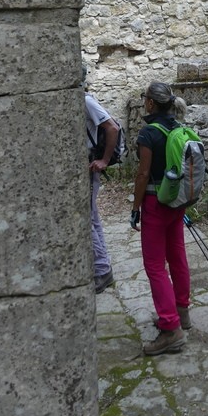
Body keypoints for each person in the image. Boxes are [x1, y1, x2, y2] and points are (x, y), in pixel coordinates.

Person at [130, 81, 192, 357]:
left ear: (151, 103)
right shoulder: (178, 128)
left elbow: (143, 175)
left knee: (155, 266)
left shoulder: (148, 134)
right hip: (176, 203)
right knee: (177, 256)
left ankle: (170, 329)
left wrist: (135, 207)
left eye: (145, 98)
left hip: (155, 204)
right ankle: (182, 312)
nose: (144, 102)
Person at [83, 66, 118, 293]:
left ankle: (102, 271)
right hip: (87, 165)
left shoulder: (85, 101)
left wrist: (104, 160)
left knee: (88, 218)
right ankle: (102, 269)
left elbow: (112, 127)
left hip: (89, 165)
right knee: (92, 217)